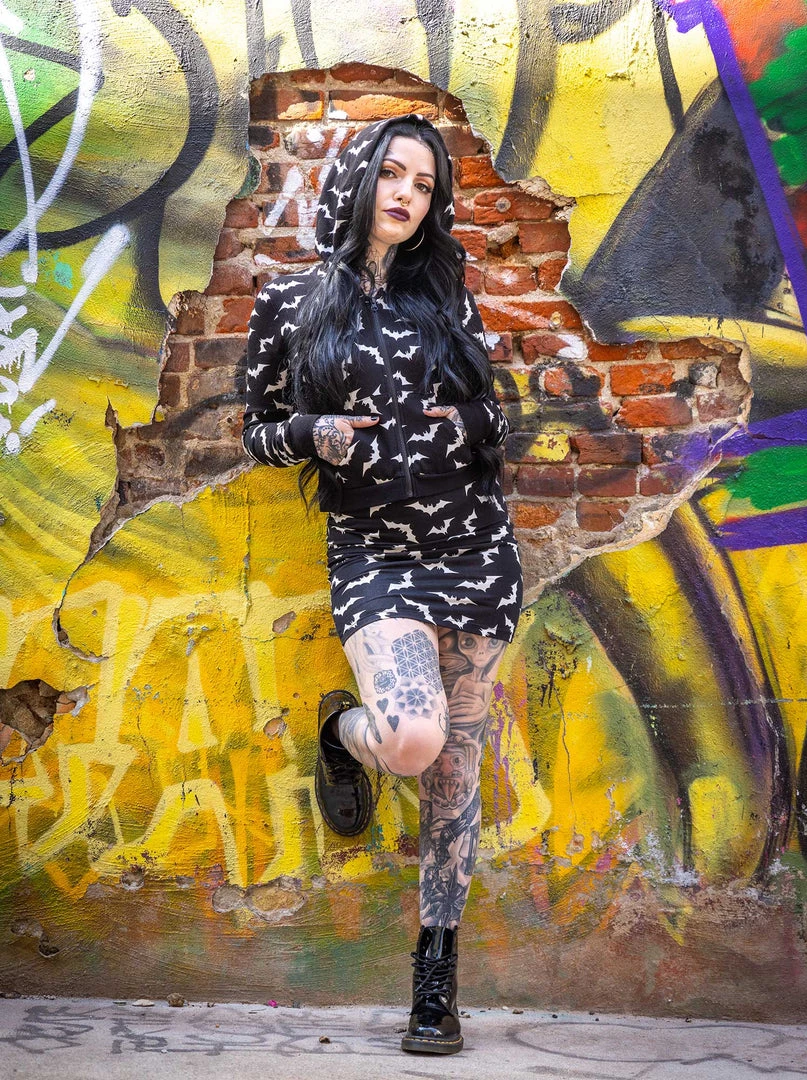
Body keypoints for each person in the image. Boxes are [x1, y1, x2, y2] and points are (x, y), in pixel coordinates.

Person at [241, 113, 523, 1055]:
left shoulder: (444, 295)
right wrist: (310, 435)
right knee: (410, 739)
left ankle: (435, 980)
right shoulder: (291, 302)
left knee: (454, 771)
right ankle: (341, 732)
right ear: (361, 179)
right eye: (394, 174)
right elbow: (254, 431)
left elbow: (497, 417)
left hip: (473, 549)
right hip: (376, 555)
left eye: (425, 186)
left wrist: (468, 420)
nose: (407, 195)